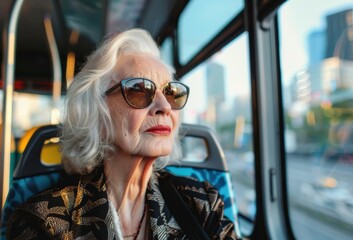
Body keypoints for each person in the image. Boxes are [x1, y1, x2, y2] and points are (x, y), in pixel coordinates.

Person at [7, 29, 240, 240]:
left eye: (171, 92)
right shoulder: (46, 221)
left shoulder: (203, 204)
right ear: (96, 113)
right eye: (139, 90)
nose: (165, 106)